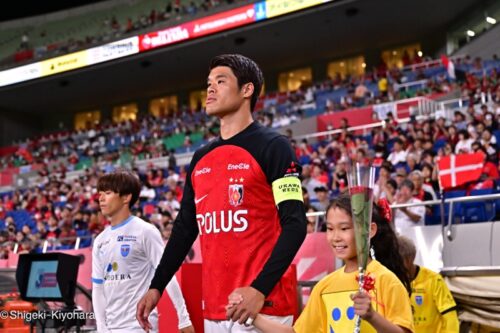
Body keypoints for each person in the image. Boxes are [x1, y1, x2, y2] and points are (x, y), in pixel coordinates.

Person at [136, 54, 307, 332]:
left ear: (247, 90)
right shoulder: (201, 157)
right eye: (208, 83)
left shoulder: (274, 146)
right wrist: (157, 286)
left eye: (221, 81)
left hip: (263, 305)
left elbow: (296, 224)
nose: (210, 89)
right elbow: (184, 230)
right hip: (215, 309)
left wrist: (259, 290)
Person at [228, 193, 414, 333]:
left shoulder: (386, 280)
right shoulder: (324, 286)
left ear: (370, 230)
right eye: (330, 229)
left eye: (344, 228)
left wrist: (372, 317)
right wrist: (251, 315)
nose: (335, 237)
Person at [92, 171, 194, 333]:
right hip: (110, 328)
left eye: (108, 193)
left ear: (126, 198)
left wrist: (183, 318)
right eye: (100, 194)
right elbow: (98, 288)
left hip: (139, 326)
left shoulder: (145, 231)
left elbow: (166, 274)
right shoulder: (99, 241)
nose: (101, 198)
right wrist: (101, 328)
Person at [398, 236, 459, 333]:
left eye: (397, 260)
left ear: (409, 260)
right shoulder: (392, 280)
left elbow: (450, 316)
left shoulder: (434, 280)